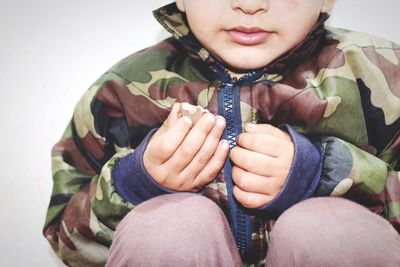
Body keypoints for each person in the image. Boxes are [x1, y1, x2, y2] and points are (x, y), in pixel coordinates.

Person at [43, 0, 400, 266]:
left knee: (327, 228)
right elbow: (65, 236)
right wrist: (133, 183)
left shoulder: (383, 72)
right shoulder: (121, 89)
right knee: (169, 224)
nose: (249, 5)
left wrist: (326, 174)